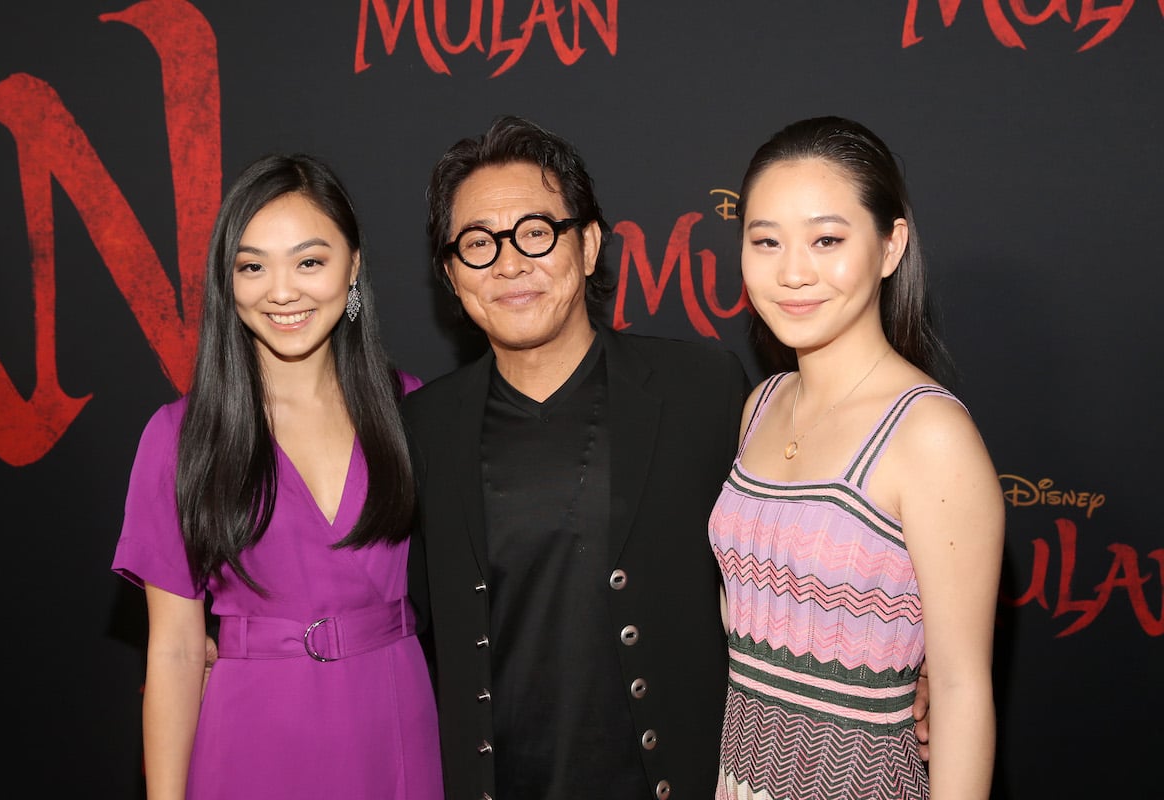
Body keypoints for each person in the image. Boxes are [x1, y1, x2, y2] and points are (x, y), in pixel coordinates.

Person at [402, 115, 751, 800]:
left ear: (588, 245)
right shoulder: (421, 427)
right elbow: (385, 609)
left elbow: (787, 562)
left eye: (535, 232)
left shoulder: (703, 390)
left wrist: (899, 666)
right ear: (450, 274)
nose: (508, 263)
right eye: (477, 243)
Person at [111, 153, 443, 799]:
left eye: (309, 261)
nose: (282, 290)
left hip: (394, 725)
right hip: (249, 733)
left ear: (353, 267)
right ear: (227, 283)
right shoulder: (180, 436)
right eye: (253, 266)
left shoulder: (417, 411)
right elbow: (176, 651)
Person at [708, 116, 1004, 799]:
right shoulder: (762, 406)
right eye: (765, 241)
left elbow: (960, 690)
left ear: (890, 245)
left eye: (827, 239)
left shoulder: (928, 434)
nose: (792, 272)